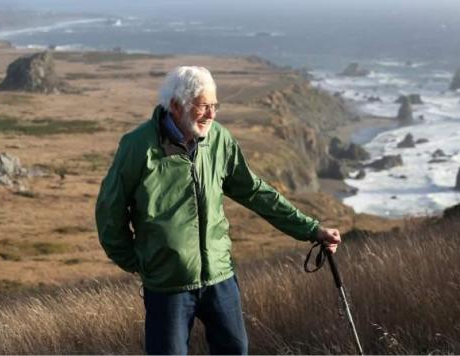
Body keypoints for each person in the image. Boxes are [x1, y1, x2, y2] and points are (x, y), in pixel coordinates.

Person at [95, 66, 341, 355]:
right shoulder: (138, 146)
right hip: (168, 285)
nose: (211, 115)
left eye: (214, 106)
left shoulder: (219, 139)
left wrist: (310, 229)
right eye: (203, 107)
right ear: (176, 106)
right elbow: (109, 211)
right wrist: (140, 262)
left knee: (236, 350)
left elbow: (254, 191)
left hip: (220, 279)